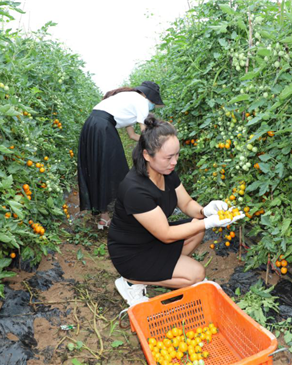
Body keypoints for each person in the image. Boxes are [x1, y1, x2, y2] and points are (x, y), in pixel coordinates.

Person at [107, 114, 245, 307]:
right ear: (147, 155)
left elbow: (187, 204)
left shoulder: (167, 171)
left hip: (150, 241)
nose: (174, 161)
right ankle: (132, 281)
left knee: (197, 228)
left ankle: (165, 269)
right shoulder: (135, 189)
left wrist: (206, 211)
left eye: (177, 155)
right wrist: (209, 222)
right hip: (131, 253)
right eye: (169, 157)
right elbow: (166, 234)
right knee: (197, 274)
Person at [77, 81, 165, 229]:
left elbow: (133, 135)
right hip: (102, 127)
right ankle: (127, 216)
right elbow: (144, 133)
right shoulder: (141, 101)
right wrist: (156, 150)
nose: (152, 107)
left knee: (101, 168)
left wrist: (153, 145)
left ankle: (104, 218)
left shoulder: (128, 99)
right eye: (154, 104)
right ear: (149, 97)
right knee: (116, 169)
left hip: (92, 126)